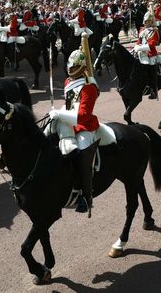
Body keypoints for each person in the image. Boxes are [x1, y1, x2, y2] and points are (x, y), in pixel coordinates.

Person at [47, 46, 101, 216]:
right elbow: (70, 105)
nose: (70, 70)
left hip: (85, 125)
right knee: (46, 133)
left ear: (83, 67)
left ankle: (86, 196)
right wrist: (58, 114)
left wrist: (61, 114)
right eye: (69, 67)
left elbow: (84, 115)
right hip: (68, 119)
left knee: (84, 155)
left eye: (74, 67)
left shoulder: (89, 87)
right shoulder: (68, 82)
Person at [133, 6, 161, 99]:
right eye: (145, 21)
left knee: (151, 68)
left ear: (151, 22)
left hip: (151, 54)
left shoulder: (154, 31)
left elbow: (151, 45)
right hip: (141, 52)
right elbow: (139, 41)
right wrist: (136, 46)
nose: (145, 23)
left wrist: (139, 48)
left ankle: (153, 90)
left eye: (147, 21)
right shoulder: (142, 30)